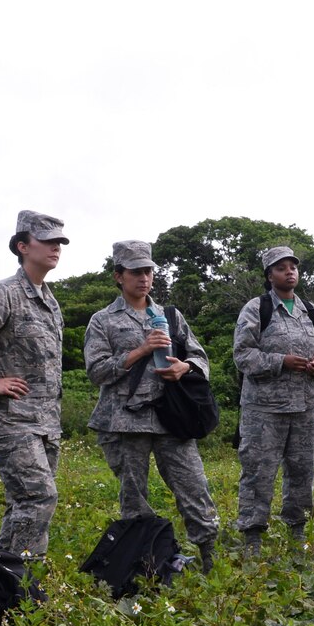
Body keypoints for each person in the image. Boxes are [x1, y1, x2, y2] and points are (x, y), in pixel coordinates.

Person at [83, 240, 221, 572]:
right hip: (125, 421)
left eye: (148, 271)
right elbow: (97, 371)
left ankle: (209, 560)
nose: (143, 278)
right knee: (134, 498)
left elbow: (200, 357)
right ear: (118, 276)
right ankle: (142, 565)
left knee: (194, 486)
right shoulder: (103, 321)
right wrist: (141, 351)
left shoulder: (170, 315)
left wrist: (183, 368)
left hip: (172, 417)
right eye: (135, 272)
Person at [0, 211, 68, 557]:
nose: (56, 248)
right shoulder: (2, 295)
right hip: (12, 421)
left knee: (24, 504)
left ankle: (3, 578)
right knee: (38, 497)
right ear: (22, 246)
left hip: (45, 424)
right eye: (47, 241)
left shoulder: (49, 301)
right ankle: (20, 579)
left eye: (59, 242)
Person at [231, 243, 314, 555]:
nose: (289, 272)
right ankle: (252, 535)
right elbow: (242, 355)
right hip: (264, 410)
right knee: (259, 470)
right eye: (281, 267)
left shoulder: (311, 311)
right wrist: (279, 361)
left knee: (303, 470)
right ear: (269, 275)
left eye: (293, 266)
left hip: (304, 406)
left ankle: (296, 530)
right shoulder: (256, 309)